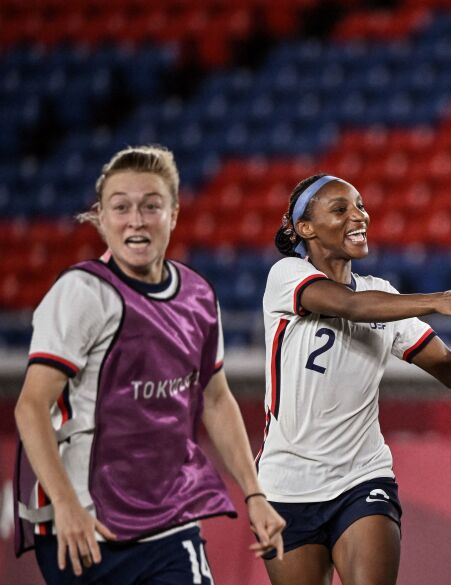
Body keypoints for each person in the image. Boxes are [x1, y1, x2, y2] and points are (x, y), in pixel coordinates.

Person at [14, 145, 285, 585]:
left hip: (169, 523)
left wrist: (254, 494)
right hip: (86, 523)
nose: (136, 220)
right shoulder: (81, 294)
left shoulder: (198, 295)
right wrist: (64, 504)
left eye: (150, 206)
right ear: (101, 218)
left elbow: (216, 400)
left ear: (174, 214)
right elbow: (30, 406)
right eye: (121, 207)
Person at [257, 173, 451, 585]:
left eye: (360, 205)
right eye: (341, 209)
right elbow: (350, 305)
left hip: (362, 477)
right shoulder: (286, 276)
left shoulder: (382, 295)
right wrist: (440, 300)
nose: (360, 215)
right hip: (288, 484)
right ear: (305, 229)